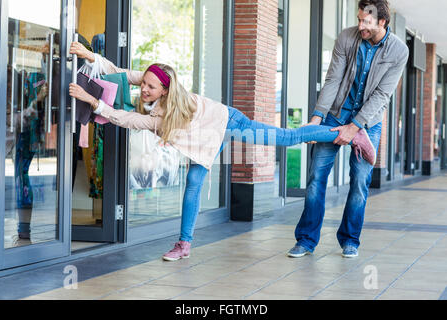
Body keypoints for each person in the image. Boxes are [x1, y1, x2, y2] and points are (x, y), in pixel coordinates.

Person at [68, 42, 376, 262]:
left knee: (287, 137)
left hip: (228, 122)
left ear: (164, 89)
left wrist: (93, 102)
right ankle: (184, 245)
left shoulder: (173, 104)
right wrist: (88, 55)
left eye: (149, 86)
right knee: (193, 186)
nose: (143, 89)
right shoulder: (154, 108)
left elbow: (120, 116)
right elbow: (121, 80)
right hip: (205, 142)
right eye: (143, 84)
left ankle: (351, 134)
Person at [287, 0, 409, 259]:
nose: (360, 25)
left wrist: (355, 127)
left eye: (366, 21)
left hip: (368, 122)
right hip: (335, 114)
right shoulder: (346, 37)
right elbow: (333, 79)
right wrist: (317, 117)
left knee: (360, 182)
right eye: (359, 19)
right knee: (316, 179)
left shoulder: (399, 51)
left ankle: (350, 239)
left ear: (382, 22)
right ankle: (306, 240)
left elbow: (382, 95)